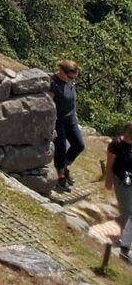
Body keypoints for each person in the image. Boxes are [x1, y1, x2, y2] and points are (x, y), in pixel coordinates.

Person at [53, 60, 85, 191]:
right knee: (60, 145)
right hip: (57, 119)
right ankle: (60, 175)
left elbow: (72, 101)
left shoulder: (70, 82)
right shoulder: (53, 83)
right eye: (70, 77)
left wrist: (75, 116)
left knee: (79, 145)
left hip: (70, 118)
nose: (71, 80)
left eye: (74, 78)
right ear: (62, 71)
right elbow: (49, 103)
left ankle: (63, 166)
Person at [108, 122, 132, 266]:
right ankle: (124, 241)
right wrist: (108, 181)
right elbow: (110, 164)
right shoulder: (116, 144)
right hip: (120, 179)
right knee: (127, 211)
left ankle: (125, 238)